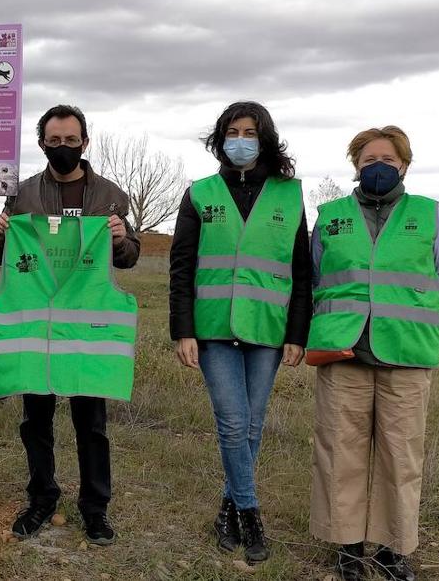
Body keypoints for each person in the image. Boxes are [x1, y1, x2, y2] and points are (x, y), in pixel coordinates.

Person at [0, 104, 141, 546]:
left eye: (71, 140)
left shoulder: (110, 195)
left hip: (87, 330)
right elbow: (6, 259)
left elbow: (128, 258)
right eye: (54, 141)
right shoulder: (22, 195)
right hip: (37, 331)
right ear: (42, 144)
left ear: (85, 142)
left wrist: (120, 239)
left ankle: (95, 509)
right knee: (35, 421)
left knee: (91, 425)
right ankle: (41, 498)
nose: (63, 148)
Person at [308, 126, 439, 581]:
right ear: (355, 165)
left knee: (401, 457)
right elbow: (316, 276)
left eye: (388, 160)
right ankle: (348, 548)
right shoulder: (330, 215)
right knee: (340, 453)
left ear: (405, 165)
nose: (378, 166)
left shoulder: (429, 215)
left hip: (406, 356)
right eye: (368, 159)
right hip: (343, 353)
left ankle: (394, 550)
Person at [167, 101, 311, 564]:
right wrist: (182, 330)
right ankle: (251, 514)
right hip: (212, 329)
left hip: (267, 329)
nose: (240, 139)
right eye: (232, 130)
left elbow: (301, 272)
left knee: (251, 425)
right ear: (220, 138)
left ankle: (228, 509)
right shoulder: (200, 193)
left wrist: (297, 333)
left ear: (264, 138)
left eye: (250, 131)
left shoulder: (289, 194)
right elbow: (182, 266)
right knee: (233, 424)